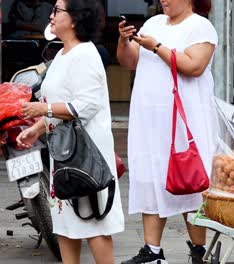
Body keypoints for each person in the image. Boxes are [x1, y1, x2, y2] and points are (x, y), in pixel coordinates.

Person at [16, 0, 125, 263]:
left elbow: (85, 106)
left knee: (95, 224)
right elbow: (60, 103)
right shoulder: (63, 54)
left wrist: (41, 110)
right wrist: (37, 128)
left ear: (75, 18)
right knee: (66, 226)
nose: (51, 16)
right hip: (65, 154)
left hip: (86, 156)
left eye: (57, 10)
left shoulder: (86, 54)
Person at [116, 0, 218, 263]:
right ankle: (152, 250)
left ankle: (199, 251)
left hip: (185, 120)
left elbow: (194, 67)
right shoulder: (153, 24)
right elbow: (130, 62)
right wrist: (124, 41)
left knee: (190, 181)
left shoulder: (200, 26)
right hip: (150, 118)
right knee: (151, 177)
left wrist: (157, 47)